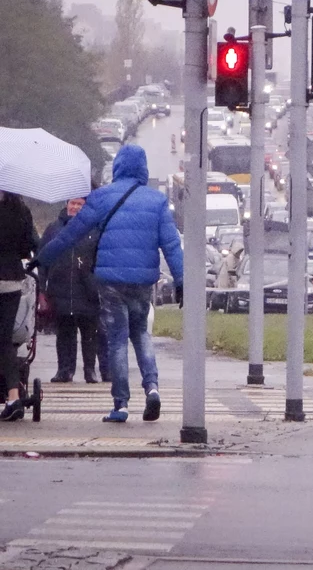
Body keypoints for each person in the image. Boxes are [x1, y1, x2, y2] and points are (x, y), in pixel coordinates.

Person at [37, 145, 183, 423]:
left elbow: (71, 234)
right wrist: (182, 280)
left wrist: (41, 258)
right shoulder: (157, 201)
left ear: (117, 167)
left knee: (117, 340)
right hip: (142, 282)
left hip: (110, 281)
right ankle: (152, 388)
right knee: (141, 335)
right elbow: (172, 245)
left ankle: (121, 404)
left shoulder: (102, 198)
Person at [38, 196, 104, 383]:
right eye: (72, 203)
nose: (75, 207)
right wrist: (43, 288)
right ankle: (64, 370)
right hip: (61, 290)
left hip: (87, 291)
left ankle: (90, 370)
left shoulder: (94, 229)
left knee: (89, 334)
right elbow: (43, 260)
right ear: (66, 204)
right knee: (65, 334)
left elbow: (100, 258)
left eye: (79, 204)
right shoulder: (53, 229)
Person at [0, 190, 37, 422]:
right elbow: (30, 246)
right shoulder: (21, 210)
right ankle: (13, 397)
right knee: (5, 340)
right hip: (11, 280)